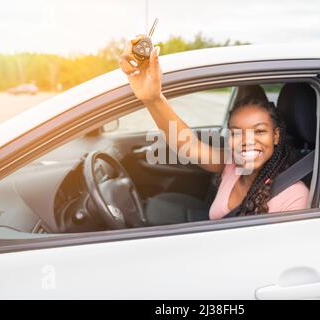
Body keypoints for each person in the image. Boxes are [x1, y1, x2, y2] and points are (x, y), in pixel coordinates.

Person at [119, 36, 309, 219]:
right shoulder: (231, 163)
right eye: (237, 132)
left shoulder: (293, 195)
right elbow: (188, 145)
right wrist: (152, 98)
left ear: (276, 136)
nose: (247, 141)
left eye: (259, 131)